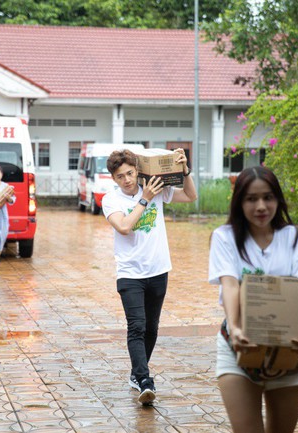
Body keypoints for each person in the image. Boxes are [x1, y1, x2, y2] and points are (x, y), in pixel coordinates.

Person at [208, 166, 298, 433]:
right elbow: (230, 285)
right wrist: (235, 329)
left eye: (268, 197)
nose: (261, 206)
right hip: (238, 347)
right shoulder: (225, 238)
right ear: (239, 202)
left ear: (278, 199)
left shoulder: (297, 238)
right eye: (251, 199)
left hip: (288, 348)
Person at [101, 148, 197, 405]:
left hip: (158, 270)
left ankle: (136, 374)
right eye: (120, 176)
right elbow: (123, 227)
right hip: (130, 274)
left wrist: (185, 170)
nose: (127, 180)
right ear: (114, 179)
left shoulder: (155, 189)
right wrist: (144, 199)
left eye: (130, 173)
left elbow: (190, 196)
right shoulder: (112, 200)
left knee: (152, 329)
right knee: (137, 327)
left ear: (137, 170)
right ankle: (145, 381)